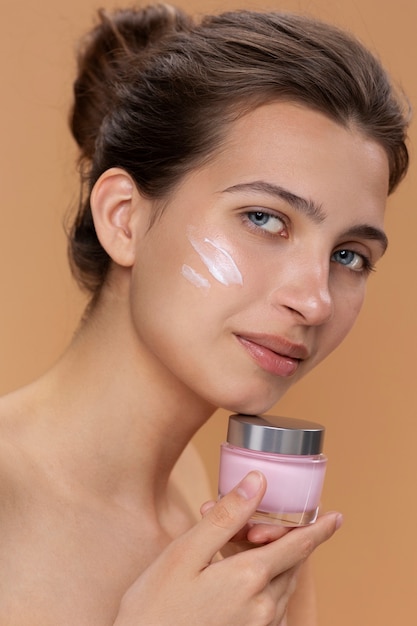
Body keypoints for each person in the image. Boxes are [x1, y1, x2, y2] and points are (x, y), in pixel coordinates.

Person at [0, 3, 409, 625]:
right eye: (265, 219)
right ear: (123, 218)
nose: (316, 299)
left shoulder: (238, 518)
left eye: (349, 256)